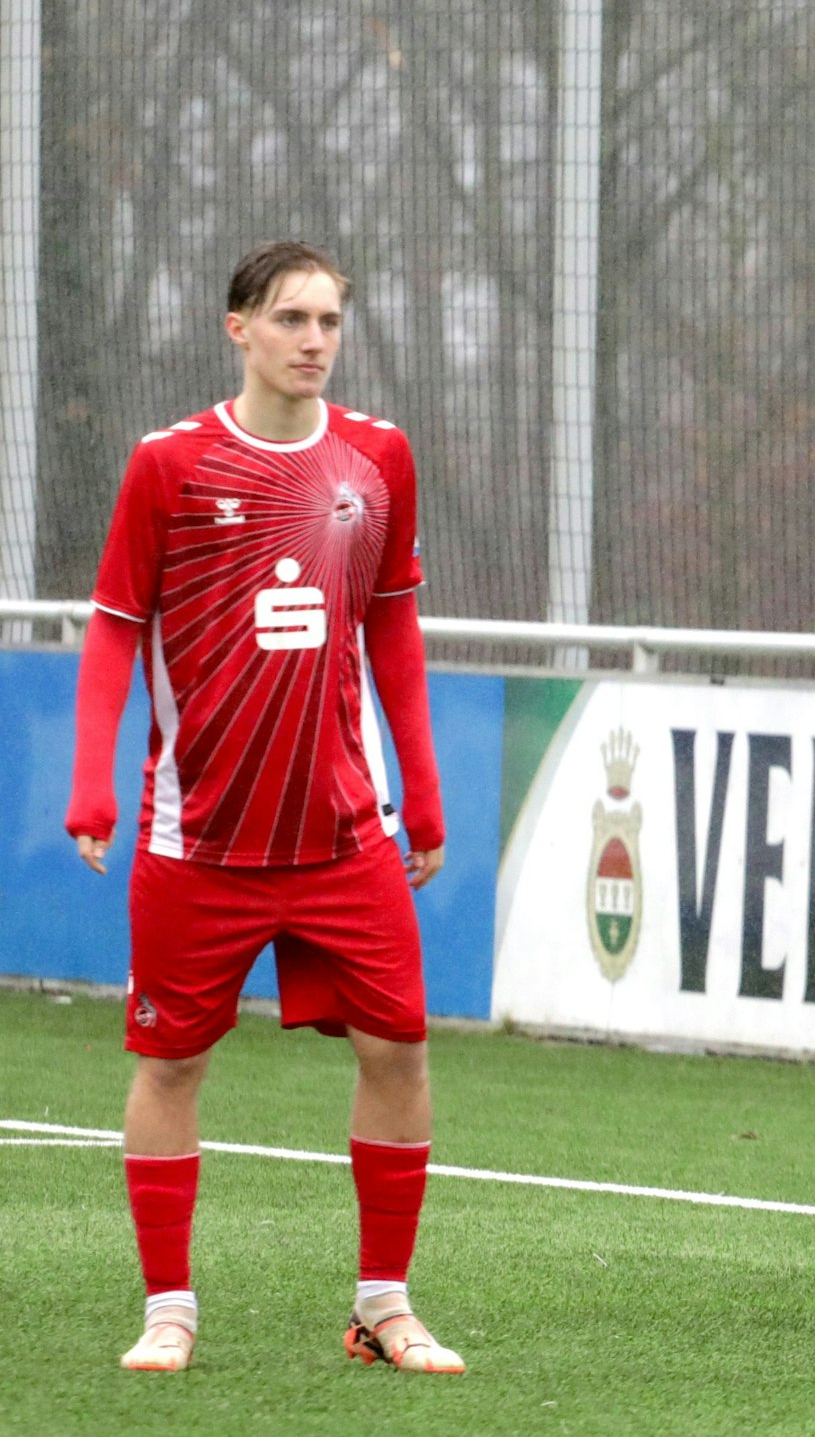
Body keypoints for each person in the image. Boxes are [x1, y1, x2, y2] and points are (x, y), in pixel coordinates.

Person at [65, 240, 456, 1375]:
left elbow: (392, 626)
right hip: (199, 841)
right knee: (171, 1066)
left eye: (329, 320)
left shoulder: (378, 458)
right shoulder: (170, 465)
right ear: (237, 328)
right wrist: (92, 782)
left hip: (345, 835)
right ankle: (168, 1309)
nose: (314, 341)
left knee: (399, 1049)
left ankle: (384, 1305)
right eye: (291, 319)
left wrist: (422, 794)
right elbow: (113, 627)